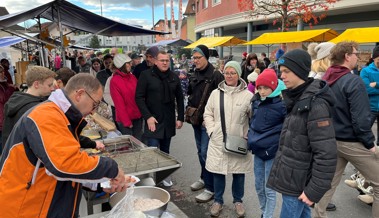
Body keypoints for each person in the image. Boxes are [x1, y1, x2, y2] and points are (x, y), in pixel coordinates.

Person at [0, 73, 128, 217]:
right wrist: (111, 168)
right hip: (27, 209)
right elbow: (64, 164)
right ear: (79, 94)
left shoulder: (62, 117)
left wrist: (99, 184)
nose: (93, 111)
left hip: (45, 204)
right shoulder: (46, 115)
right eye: (95, 104)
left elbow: (57, 169)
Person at [266, 49, 337, 218]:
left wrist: (313, 191)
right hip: (293, 179)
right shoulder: (298, 97)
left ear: (299, 72)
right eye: (281, 71)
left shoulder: (315, 104)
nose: (281, 76)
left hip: (298, 182)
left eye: (286, 71)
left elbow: (326, 153)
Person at [314, 41, 379, 218]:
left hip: (330, 140)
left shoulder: (324, 80)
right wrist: (369, 144)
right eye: (356, 53)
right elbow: (360, 118)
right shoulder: (353, 81)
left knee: (328, 185)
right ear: (347, 56)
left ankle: (317, 215)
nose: (358, 56)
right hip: (351, 141)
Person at [203, 61, 253, 217]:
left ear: (239, 74)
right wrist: (212, 131)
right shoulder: (215, 94)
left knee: (238, 173)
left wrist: (249, 133)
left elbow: (255, 118)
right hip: (218, 140)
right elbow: (208, 113)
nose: (229, 76)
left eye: (233, 73)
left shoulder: (248, 96)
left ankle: (238, 201)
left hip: (238, 141)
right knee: (218, 172)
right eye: (226, 73)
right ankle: (218, 201)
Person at [135, 51, 184, 186]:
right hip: (153, 119)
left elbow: (180, 98)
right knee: (152, 150)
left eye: (167, 60)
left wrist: (180, 117)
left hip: (168, 119)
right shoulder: (146, 75)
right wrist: (148, 117)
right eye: (162, 60)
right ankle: (151, 179)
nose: (164, 63)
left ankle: (164, 175)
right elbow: (139, 97)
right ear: (155, 61)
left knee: (165, 150)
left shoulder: (174, 77)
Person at [187, 44, 224, 203]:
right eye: (194, 58)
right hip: (196, 120)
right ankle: (203, 178)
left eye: (198, 57)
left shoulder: (216, 75)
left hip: (208, 123)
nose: (195, 61)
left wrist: (214, 121)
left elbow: (222, 99)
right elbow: (190, 93)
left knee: (206, 153)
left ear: (206, 57)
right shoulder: (194, 73)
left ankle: (211, 188)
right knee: (200, 152)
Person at [248, 68, 286, 218]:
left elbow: (286, 128)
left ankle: (268, 216)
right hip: (257, 150)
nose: (262, 91)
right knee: (258, 186)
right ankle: (264, 212)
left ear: (274, 87)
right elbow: (254, 122)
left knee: (269, 188)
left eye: (266, 88)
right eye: (260, 88)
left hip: (272, 151)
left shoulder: (282, 104)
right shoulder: (256, 101)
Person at [1, 66, 56, 147]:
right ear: (36, 84)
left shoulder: (16, 101)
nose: (52, 88)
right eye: (49, 85)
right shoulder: (32, 108)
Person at [110, 54, 143, 140]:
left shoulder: (132, 77)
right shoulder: (115, 81)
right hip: (126, 120)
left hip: (137, 117)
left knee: (139, 144)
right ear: (121, 65)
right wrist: (127, 122)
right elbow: (119, 104)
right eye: (128, 63)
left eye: (130, 63)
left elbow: (139, 95)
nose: (130, 65)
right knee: (130, 146)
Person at [360, 45, 379, 145]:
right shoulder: (365, 71)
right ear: (374, 58)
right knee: (364, 135)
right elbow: (366, 89)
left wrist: (376, 84)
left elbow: (371, 88)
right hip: (370, 108)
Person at [0, 65, 16, 152]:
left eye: (3, 71)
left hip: (5, 118)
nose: (2, 73)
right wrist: (10, 88)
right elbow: (4, 98)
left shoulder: (4, 83)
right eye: (0, 72)